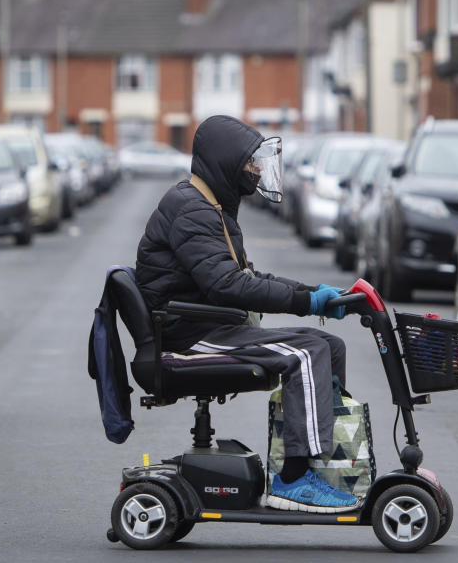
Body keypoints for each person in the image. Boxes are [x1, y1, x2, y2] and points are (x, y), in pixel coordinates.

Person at [135, 115, 358, 513]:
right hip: (188, 331)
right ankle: (295, 480)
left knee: (329, 345)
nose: (256, 171)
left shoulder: (210, 206)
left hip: (207, 321)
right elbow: (229, 286)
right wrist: (306, 304)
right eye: (250, 162)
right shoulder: (191, 210)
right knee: (306, 353)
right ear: (225, 162)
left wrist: (314, 295)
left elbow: (247, 276)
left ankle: (320, 464)